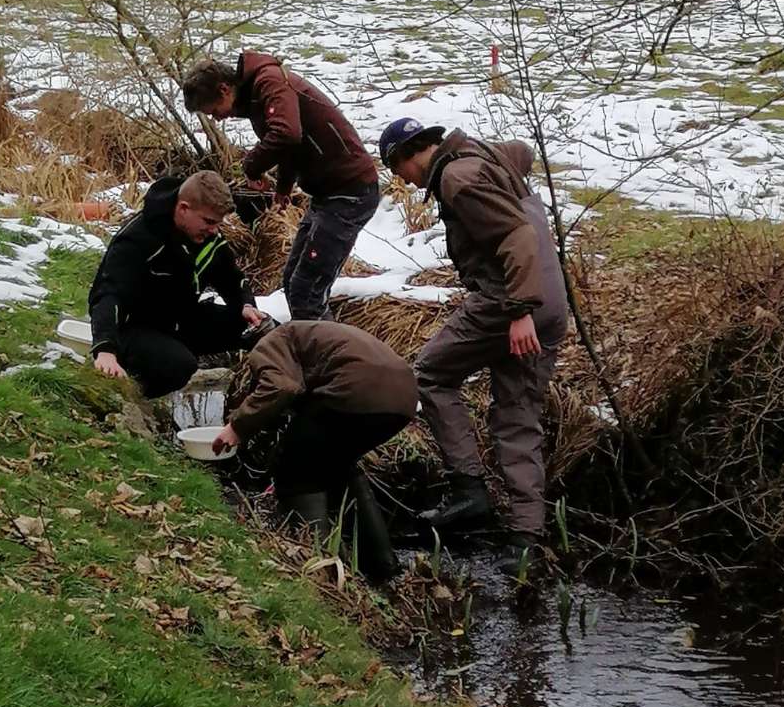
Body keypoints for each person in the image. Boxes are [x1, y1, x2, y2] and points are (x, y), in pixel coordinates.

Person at [378, 117, 569, 576]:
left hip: (510, 303)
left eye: (397, 169)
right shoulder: (482, 154)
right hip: (551, 302)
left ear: (409, 154)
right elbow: (521, 149)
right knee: (517, 417)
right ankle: (526, 538)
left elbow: (517, 234)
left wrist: (519, 309)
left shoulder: (457, 178)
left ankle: (469, 492)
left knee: (429, 375)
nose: (403, 180)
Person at [181, 52, 380, 321]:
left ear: (224, 89)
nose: (216, 119)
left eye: (213, 111)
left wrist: (251, 165)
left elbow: (287, 133)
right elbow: (291, 145)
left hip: (349, 192)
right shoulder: (257, 93)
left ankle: (330, 357)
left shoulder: (269, 82)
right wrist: (283, 188)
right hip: (328, 193)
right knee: (293, 280)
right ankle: (316, 348)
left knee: (305, 292)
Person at [212, 321, 418, 580]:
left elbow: (281, 387)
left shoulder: (271, 342)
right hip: (403, 398)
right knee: (339, 467)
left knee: (295, 471)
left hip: (353, 391)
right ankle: (383, 568)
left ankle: (319, 569)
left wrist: (237, 427)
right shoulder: (308, 333)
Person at [88, 172, 266, 398]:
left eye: (218, 223)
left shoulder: (207, 236)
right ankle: (133, 394)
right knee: (180, 365)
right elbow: (108, 295)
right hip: (135, 329)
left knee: (264, 330)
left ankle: (261, 405)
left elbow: (230, 277)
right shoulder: (138, 238)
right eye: (209, 222)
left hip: (182, 320)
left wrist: (246, 305)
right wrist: (105, 349)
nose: (214, 230)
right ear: (183, 209)